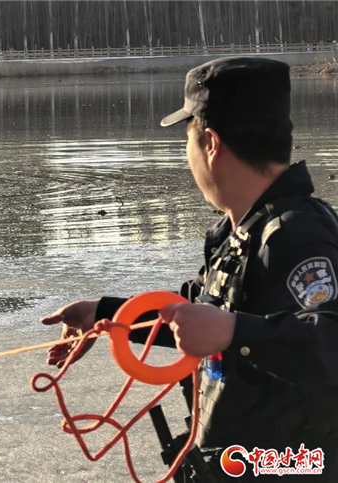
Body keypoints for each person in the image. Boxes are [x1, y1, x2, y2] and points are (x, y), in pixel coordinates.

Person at [41, 57, 338, 481]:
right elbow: (195, 318)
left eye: (187, 140)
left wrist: (233, 331)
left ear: (211, 144)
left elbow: (328, 338)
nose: (187, 155)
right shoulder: (236, 233)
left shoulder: (295, 234)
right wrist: (105, 313)